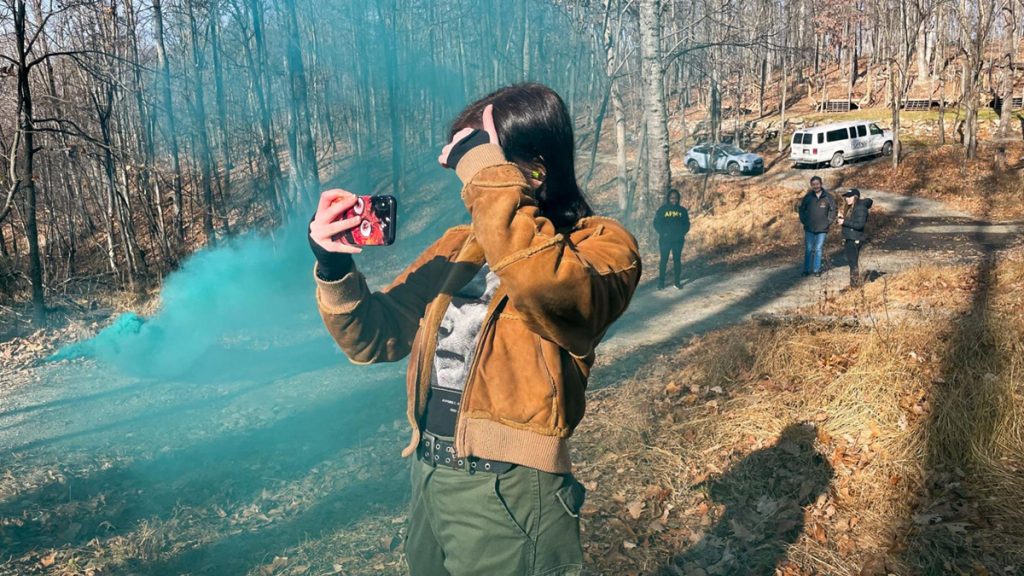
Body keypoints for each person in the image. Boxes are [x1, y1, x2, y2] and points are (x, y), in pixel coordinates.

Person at [308, 83, 641, 576]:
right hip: (429, 474)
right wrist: (333, 267)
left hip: (510, 491)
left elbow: (542, 283)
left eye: (480, 158)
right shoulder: (458, 245)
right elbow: (375, 336)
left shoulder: (602, 245)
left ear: (534, 167)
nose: (464, 180)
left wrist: (486, 172)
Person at [797, 175, 837, 276]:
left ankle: (816, 270)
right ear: (811, 185)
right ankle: (806, 270)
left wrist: (829, 221)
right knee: (809, 249)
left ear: (821, 184)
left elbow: (833, 210)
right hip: (809, 228)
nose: (816, 186)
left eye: (817, 184)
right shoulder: (808, 197)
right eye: (813, 184)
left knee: (818, 249)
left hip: (822, 228)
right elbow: (801, 209)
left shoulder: (828, 197)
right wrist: (804, 221)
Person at [653, 189, 690, 290]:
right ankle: (661, 283)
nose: (674, 200)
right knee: (663, 261)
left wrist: (681, 233)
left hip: (678, 240)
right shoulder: (662, 210)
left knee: (677, 260)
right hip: (665, 240)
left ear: (678, 199)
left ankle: (677, 282)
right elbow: (656, 223)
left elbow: (687, 224)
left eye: (676, 198)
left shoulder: (682, 211)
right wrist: (663, 233)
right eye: (672, 198)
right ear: (668, 198)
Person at [838, 188, 873, 288]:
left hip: (855, 238)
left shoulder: (861, 208)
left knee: (853, 262)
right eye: (846, 197)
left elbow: (859, 225)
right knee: (851, 262)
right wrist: (842, 218)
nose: (847, 199)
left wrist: (844, 222)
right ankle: (853, 284)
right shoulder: (852, 207)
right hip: (850, 237)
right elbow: (852, 222)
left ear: (856, 197)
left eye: (850, 196)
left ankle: (854, 286)